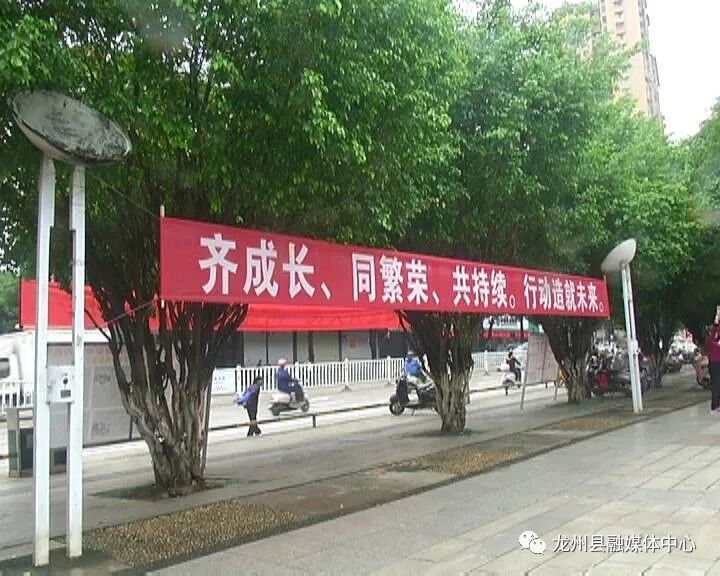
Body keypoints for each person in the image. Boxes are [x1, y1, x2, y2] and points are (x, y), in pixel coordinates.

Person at [705, 309, 720, 413]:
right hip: (716, 363)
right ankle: (715, 406)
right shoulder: (712, 339)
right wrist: (718, 314)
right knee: (716, 384)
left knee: (716, 384)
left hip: (713, 363)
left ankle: (716, 405)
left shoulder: (711, 339)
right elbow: (716, 327)